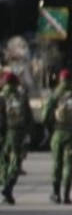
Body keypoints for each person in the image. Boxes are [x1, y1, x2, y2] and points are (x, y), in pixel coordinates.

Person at [42, 69, 72, 204]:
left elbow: (45, 116)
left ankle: (56, 193)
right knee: (69, 165)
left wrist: (51, 129)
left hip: (58, 133)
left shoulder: (55, 95)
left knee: (57, 164)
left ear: (60, 80)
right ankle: (66, 195)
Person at [1, 72, 32, 204]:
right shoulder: (22, 97)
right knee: (16, 162)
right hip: (19, 133)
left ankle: (6, 188)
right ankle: (8, 187)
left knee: (4, 162)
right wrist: (28, 133)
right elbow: (29, 118)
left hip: (4, 134)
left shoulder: (2, 97)